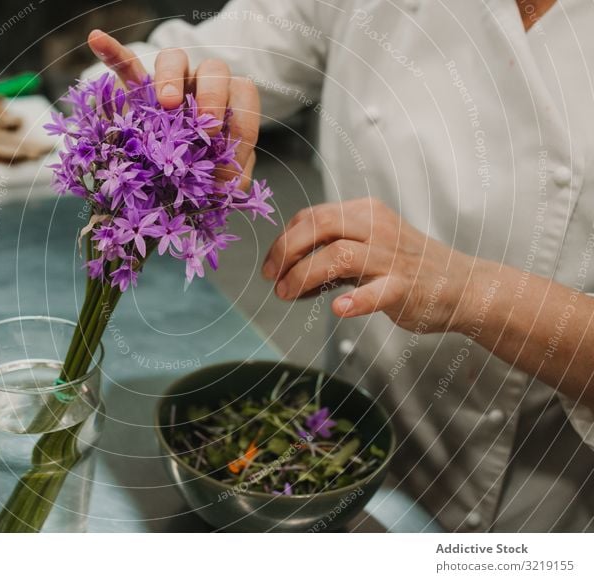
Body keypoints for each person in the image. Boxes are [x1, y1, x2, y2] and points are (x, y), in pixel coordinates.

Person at [84, 0, 593, 532]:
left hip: (542, 498)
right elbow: (144, 72)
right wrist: (163, 110)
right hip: (346, 436)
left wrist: (473, 292)